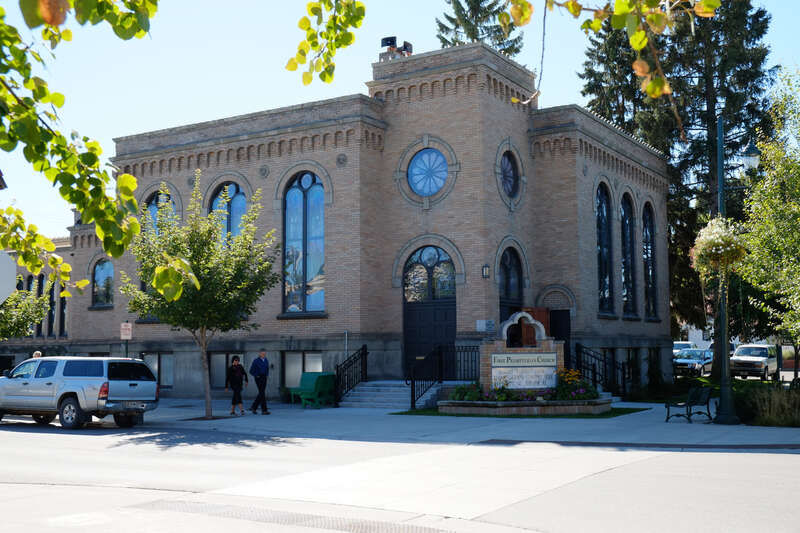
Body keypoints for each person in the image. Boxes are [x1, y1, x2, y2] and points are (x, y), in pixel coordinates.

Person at [249, 349, 270, 415]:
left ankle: (254, 407)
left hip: (264, 377)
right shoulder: (256, 361)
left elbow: (267, 368)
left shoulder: (266, 360)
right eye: (262, 354)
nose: (264, 355)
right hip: (258, 378)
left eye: (265, 354)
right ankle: (264, 410)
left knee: (261, 393)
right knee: (262, 393)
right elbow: (251, 371)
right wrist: (256, 375)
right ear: (259, 354)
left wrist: (266, 375)